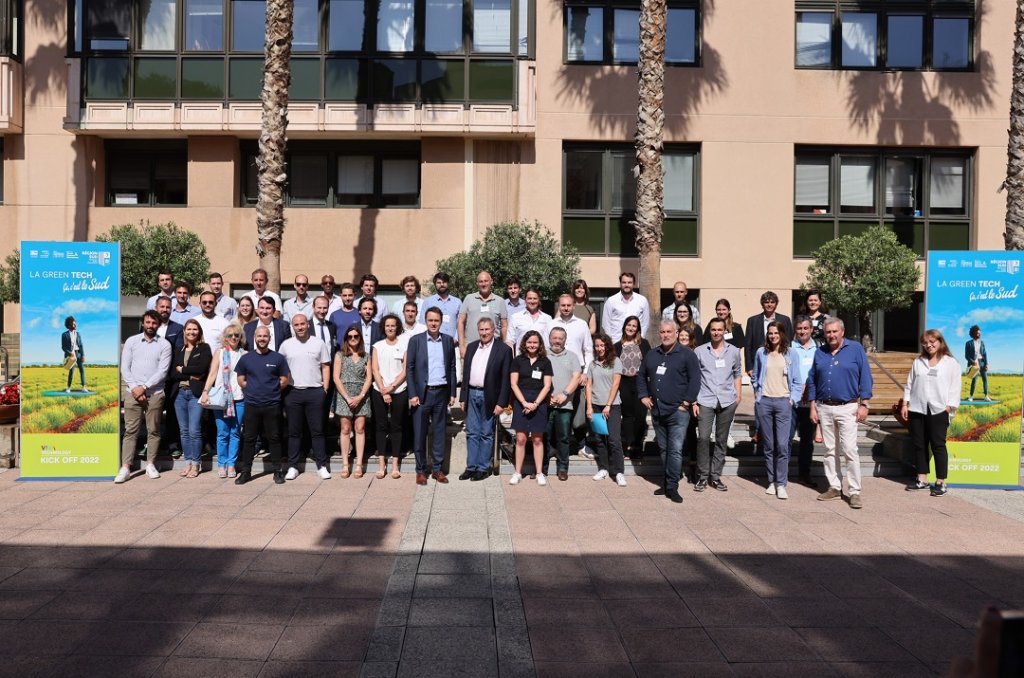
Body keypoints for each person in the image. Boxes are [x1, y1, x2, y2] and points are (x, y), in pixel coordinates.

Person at [808, 318, 873, 509]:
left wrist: (865, 404)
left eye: (835, 331)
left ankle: (854, 491)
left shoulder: (855, 349)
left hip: (848, 407)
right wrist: (813, 405)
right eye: (828, 332)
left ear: (842, 332)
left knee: (850, 450)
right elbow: (812, 379)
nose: (831, 335)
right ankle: (834, 487)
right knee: (830, 450)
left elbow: (865, 376)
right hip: (824, 407)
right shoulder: (820, 352)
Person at [638, 320, 701, 504]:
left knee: (675, 450)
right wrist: (643, 395)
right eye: (662, 332)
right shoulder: (652, 354)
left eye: (669, 332)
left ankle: (672, 486)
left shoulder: (687, 355)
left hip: (678, 412)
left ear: (676, 333)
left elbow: (695, 380)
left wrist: (687, 402)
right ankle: (667, 483)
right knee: (664, 449)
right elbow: (641, 375)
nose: (666, 335)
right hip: (658, 410)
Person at [901, 329, 961, 497]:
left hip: (939, 410)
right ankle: (922, 479)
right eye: (925, 343)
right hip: (917, 408)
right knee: (919, 445)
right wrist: (905, 403)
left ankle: (941, 482)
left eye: (932, 341)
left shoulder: (951, 363)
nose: (929, 345)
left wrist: (949, 407)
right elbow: (910, 383)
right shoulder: (918, 362)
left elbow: (955, 388)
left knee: (938, 445)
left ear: (940, 342)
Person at [117, 310, 172, 483]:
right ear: (143, 323)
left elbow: (162, 371)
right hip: (133, 393)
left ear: (159, 324)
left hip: (155, 393)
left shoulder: (165, 345)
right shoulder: (132, 341)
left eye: (154, 323)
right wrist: (135, 388)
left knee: (153, 430)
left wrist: (145, 387)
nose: (150, 326)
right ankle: (126, 467)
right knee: (130, 431)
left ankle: (150, 464)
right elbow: (125, 367)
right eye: (148, 322)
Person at [752, 321, 803, 499]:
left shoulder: (791, 354)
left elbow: (797, 380)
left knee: (782, 445)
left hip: (783, 402)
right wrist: (757, 395)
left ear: (782, 334)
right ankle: (772, 481)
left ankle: (781, 483)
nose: (772, 336)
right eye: (770, 333)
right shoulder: (761, 353)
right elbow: (756, 376)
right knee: (769, 445)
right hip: (765, 402)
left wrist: (792, 400)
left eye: (775, 333)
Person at [279, 314, 333, 480]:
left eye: (303, 324)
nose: (300, 327)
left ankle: (322, 465)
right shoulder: (286, 345)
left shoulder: (319, 343)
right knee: (294, 432)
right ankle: (293, 467)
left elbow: (325, 366)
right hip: (293, 391)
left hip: (315, 392)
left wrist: (325, 388)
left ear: (308, 325)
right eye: (297, 325)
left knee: (317, 431)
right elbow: (281, 368)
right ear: (293, 327)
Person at [233, 325, 290, 485]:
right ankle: (246, 472)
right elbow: (241, 379)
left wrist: (271, 391)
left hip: (272, 404)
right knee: (249, 439)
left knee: (274, 438)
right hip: (251, 404)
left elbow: (284, 379)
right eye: (259, 336)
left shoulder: (278, 358)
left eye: (265, 336)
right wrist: (253, 389)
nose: (262, 339)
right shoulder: (246, 358)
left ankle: (278, 471)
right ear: (255, 338)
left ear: (269, 338)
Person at [407, 307, 457, 485]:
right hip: (422, 395)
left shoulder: (448, 341)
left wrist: (452, 392)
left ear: (441, 322)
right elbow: (410, 368)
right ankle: (420, 471)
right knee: (420, 434)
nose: (433, 323)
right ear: (425, 321)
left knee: (439, 433)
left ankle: (437, 469)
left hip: (441, 393)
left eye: (436, 320)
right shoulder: (416, 341)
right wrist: (412, 394)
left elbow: (452, 367)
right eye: (430, 320)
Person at [693, 318, 743, 493]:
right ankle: (702, 476)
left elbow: (737, 373)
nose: (716, 333)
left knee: (721, 440)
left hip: (727, 400)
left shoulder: (734, 351)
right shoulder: (699, 351)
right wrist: (694, 400)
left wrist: (739, 395)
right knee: (704, 438)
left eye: (719, 330)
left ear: (724, 331)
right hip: (705, 400)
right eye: (713, 329)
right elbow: (695, 377)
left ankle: (715, 476)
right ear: (709, 331)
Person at [460, 317, 512, 481]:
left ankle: (483, 468)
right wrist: (463, 396)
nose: (484, 333)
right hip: (472, 394)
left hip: (490, 396)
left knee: (486, 434)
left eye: (487, 329)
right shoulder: (472, 347)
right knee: (472, 433)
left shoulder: (503, 350)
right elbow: (466, 373)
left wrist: (501, 403)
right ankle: (471, 467)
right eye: (481, 330)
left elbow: (506, 379)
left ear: (493, 330)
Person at [199, 320, 247, 478]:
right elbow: (212, 373)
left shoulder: (244, 354)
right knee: (222, 432)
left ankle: (231, 464)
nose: (233, 338)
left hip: (239, 397)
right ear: (225, 338)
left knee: (235, 432)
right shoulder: (220, 352)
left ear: (241, 338)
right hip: (222, 399)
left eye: (237, 335)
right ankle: (222, 464)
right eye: (230, 335)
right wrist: (205, 391)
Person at [745, 291, 793, 445]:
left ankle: (777, 431)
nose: (769, 304)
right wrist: (750, 366)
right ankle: (760, 431)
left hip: (779, 367)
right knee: (760, 400)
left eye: (772, 302)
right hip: (759, 367)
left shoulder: (784, 320)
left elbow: (789, 342)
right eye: (766, 302)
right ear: (762, 304)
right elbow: (748, 345)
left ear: (776, 303)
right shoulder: (753, 321)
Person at [509, 330, 553, 485]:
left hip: (539, 402)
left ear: (539, 344)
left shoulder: (545, 362)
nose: (532, 345)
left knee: (537, 439)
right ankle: (517, 472)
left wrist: (534, 404)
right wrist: (524, 403)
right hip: (521, 401)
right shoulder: (517, 360)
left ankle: (539, 472)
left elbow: (547, 386)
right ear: (524, 344)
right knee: (520, 439)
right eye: (529, 342)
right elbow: (513, 383)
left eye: (535, 342)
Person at [170, 318, 212, 478]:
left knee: (194, 430)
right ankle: (187, 462)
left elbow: (202, 368)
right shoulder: (179, 350)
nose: (191, 332)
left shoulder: (204, 348)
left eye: (194, 329)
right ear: (184, 332)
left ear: (199, 332)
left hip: (195, 394)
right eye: (189, 329)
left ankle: (196, 463)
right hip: (179, 394)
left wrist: (183, 369)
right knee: (184, 431)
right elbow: (173, 373)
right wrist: (191, 372)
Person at [371, 314, 408, 479]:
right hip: (379, 391)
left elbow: (405, 370)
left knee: (396, 426)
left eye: (393, 325)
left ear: (397, 327)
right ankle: (381, 465)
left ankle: (395, 464)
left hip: (399, 390)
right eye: (387, 326)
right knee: (380, 426)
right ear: (383, 327)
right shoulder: (377, 346)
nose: (390, 328)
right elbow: (375, 369)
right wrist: (383, 389)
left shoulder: (404, 344)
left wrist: (392, 387)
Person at [334, 324, 372, 479]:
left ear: (360, 338)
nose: (353, 339)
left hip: (361, 395)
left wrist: (361, 395)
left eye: (356, 336)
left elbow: (369, 377)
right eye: (350, 336)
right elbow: (336, 377)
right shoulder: (340, 355)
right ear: (346, 339)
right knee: (344, 428)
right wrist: (348, 397)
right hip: (344, 394)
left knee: (360, 428)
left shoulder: (366, 356)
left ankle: (359, 464)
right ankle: (345, 464)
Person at [587, 333, 626, 487]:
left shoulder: (615, 362)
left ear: (607, 346)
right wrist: (589, 406)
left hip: (613, 405)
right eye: (597, 345)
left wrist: (608, 405)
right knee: (599, 439)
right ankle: (603, 468)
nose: (599, 348)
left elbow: (616, 384)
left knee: (614, 440)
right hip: (596, 405)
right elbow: (589, 386)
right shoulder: (593, 364)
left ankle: (619, 472)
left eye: (602, 345)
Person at [546, 327, 582, 481]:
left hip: (565, 404)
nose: (557, 341)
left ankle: (562, 468)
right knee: (543, 437)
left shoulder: (572, 356)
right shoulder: (543, 355)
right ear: (549, 338)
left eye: (560, 338)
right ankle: (541, 467)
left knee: (563, 438)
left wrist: (565, 394)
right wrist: (547, 396)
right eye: (554, 337)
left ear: (565, 340)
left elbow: (576, 377)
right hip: (545, 404)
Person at [614, 316, 650, 462]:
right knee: (628, 416)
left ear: (638, 329)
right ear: (624, 326)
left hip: (640, 382)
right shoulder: (617, 345)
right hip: (624, 382)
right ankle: (629, 445)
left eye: (634, 326)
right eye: (629, 325)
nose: (631, 328)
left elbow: (650, 363)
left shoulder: (644, 343)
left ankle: (638, 445)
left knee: (641, 416)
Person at [791, 316, 818, 486]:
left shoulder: (820, 349)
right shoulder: (789, 347)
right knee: (785, 439)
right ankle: (782, 475)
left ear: (811, 329)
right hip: (792, 402)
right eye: (799, 328)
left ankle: (804, 474)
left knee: (807, 441)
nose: (802, 331)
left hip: (810, 404)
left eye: (805, 328)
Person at [458, 271, 508, 357]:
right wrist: (462, 346)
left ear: (491, 281)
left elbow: (504, 326)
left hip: (493, 350)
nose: (483, 284)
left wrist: (504, 347)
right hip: (470, 348)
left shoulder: (500, 301)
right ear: (477, 283)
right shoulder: (469, 298)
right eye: (481, 281)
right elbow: (460, 322)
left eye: (486, 281)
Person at [601, 272, 650, 342]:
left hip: (636, 343)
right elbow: (606, 324)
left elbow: (645, 324)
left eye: (629, 282)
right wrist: (611, 342)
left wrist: (640, 339)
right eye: (624, 282)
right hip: (616, 342)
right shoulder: (611, 301)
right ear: (620, 283)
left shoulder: (642, 300)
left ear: (634, 284)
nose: (626, 285)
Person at [420, 272, 462, 341]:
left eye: (444, 282)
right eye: (439, 283)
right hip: (433, 342)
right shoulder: (428, 302)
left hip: (453, 344)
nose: (441, 284)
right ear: (435, 284)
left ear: (448, 284)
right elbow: (422, 323)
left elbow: (461, 323)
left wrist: (456, 339)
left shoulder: (457, 302)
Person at [61, 316, 87, 393]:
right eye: (74, 324)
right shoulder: (64, 335)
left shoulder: (78, 334)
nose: (75, 325)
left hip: (78, 353)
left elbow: (81, 345)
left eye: (75, 324)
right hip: (71, 355)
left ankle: (84, 387)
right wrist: (69, 353)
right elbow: (63, 347)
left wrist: (83, 355)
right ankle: (68, 388)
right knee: (71, 372)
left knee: (82, 370)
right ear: (69, 325)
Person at [965, 325, 990, 401]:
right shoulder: (968, 343)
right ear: (974, 333)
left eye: (980, 333)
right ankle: (971, 396)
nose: (980, 334)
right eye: (978, 333)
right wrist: (972, 362)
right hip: (974, 364)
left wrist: (986, 364)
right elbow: (966, 356)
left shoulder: (982, 343)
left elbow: (985, 354)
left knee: (985, 379)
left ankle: (986, 396)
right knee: (974, 380)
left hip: (982, 363)